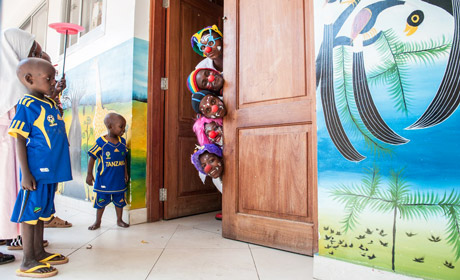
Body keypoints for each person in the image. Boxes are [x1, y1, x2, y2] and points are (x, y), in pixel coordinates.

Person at [9, 58, 72, 277]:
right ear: (29, 79)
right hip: (36, 171)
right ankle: (27, 260)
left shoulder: (48, 102)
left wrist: (56, 91)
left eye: (54, 78)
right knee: (30, 213)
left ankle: (39, 252)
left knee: (43, 212)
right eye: (49, 79)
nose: (53, 82)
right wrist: (25, 173)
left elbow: (51, 111)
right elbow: (18, 137)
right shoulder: (27, 105)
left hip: (51, 169)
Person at [86, 113, 129, 230]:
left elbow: (124, 158)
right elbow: (92, 158)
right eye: (121, 127)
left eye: (124, 127)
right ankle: (97, 221)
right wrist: (89, 174)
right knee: (101, 202)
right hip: (104, 180)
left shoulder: (123, 142)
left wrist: (125, 172)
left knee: (119, 201)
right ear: (110, 127)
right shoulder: (101, 143)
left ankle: (119, 220)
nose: (123, 130)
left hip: (118, 180)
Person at [191, 144, 224, 220]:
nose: (208, 168)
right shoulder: (215, 180)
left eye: (211, 160)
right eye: (204, 166)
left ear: (220, 159)